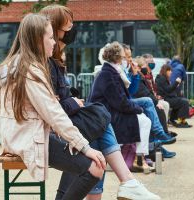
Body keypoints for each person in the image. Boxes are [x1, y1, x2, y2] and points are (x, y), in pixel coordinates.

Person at [40, 5, 160, 200]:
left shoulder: (54, 61)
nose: (73, 30)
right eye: (68, 26)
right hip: (49, 129)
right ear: (53, 29)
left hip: (63, 123)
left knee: (96, 125)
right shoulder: (45, 63)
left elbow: (60, 98)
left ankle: (121, 184)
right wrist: (73, 103)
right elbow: (51, 105)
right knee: (97, 121)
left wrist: (70, 101)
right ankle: (126, 182)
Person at [0, 13, 106, 200]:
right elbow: (54, 114)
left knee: (79, 146)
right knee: (95, 167)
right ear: (39, 39)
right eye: (51, 37)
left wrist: (80, 144)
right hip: (27, 138)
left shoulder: (18, 64)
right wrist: (86, 148)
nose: (55, 42)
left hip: (18, 135)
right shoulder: (30, 70)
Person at [88, 41, 160, 200]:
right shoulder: (109, 74)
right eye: (124, 55)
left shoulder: (113, 72)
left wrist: (135, 76)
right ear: (119, 57)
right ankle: (133, 173)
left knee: (98, 160)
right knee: (142, 118)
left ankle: (131, 177)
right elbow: (120, 101)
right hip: (106, 116)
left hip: (104, 116)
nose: (127, 58)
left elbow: (126, 95)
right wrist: (137, 109)